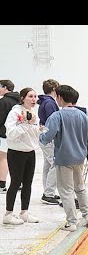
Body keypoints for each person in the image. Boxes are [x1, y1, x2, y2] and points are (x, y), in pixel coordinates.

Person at [39, 85, 88, 232]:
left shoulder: (57, 116)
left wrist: (40, 136)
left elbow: (48, 136)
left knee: (66, 191)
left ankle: (71, 222)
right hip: (80, 157)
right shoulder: (83, 115)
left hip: (63, 158)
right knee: (80, 188)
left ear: (60, 98)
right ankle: (87, 214)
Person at [3, 88, 42, 224]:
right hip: (16, 153)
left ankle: (24, 212)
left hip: (30, 152)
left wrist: (39, 129)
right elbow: (11, 133)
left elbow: (35, 132)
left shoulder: (34, 113)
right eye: (30, 96)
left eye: (35, 96)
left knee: (28, 183)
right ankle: (8, 214)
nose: (34, 99)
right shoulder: (14, 113)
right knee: (15, 183)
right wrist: (25, 124)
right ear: (23, 98)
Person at [37, 79, 61, 205]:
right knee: (55, 164)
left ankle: (47, 191)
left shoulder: (44, 102)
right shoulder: (50, 103)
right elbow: (54, 122)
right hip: (49, 137)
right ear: (54, 89)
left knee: (47, 164)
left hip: (44, 135)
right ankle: (48, 193)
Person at [0, 80, 20, 194]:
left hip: (4, 134)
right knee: (15, 159)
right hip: (17, 134)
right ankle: (18, 183)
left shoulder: (4, 101)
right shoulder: (19, 101)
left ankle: (2, 185)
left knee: (3, 158)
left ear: (6, 87)